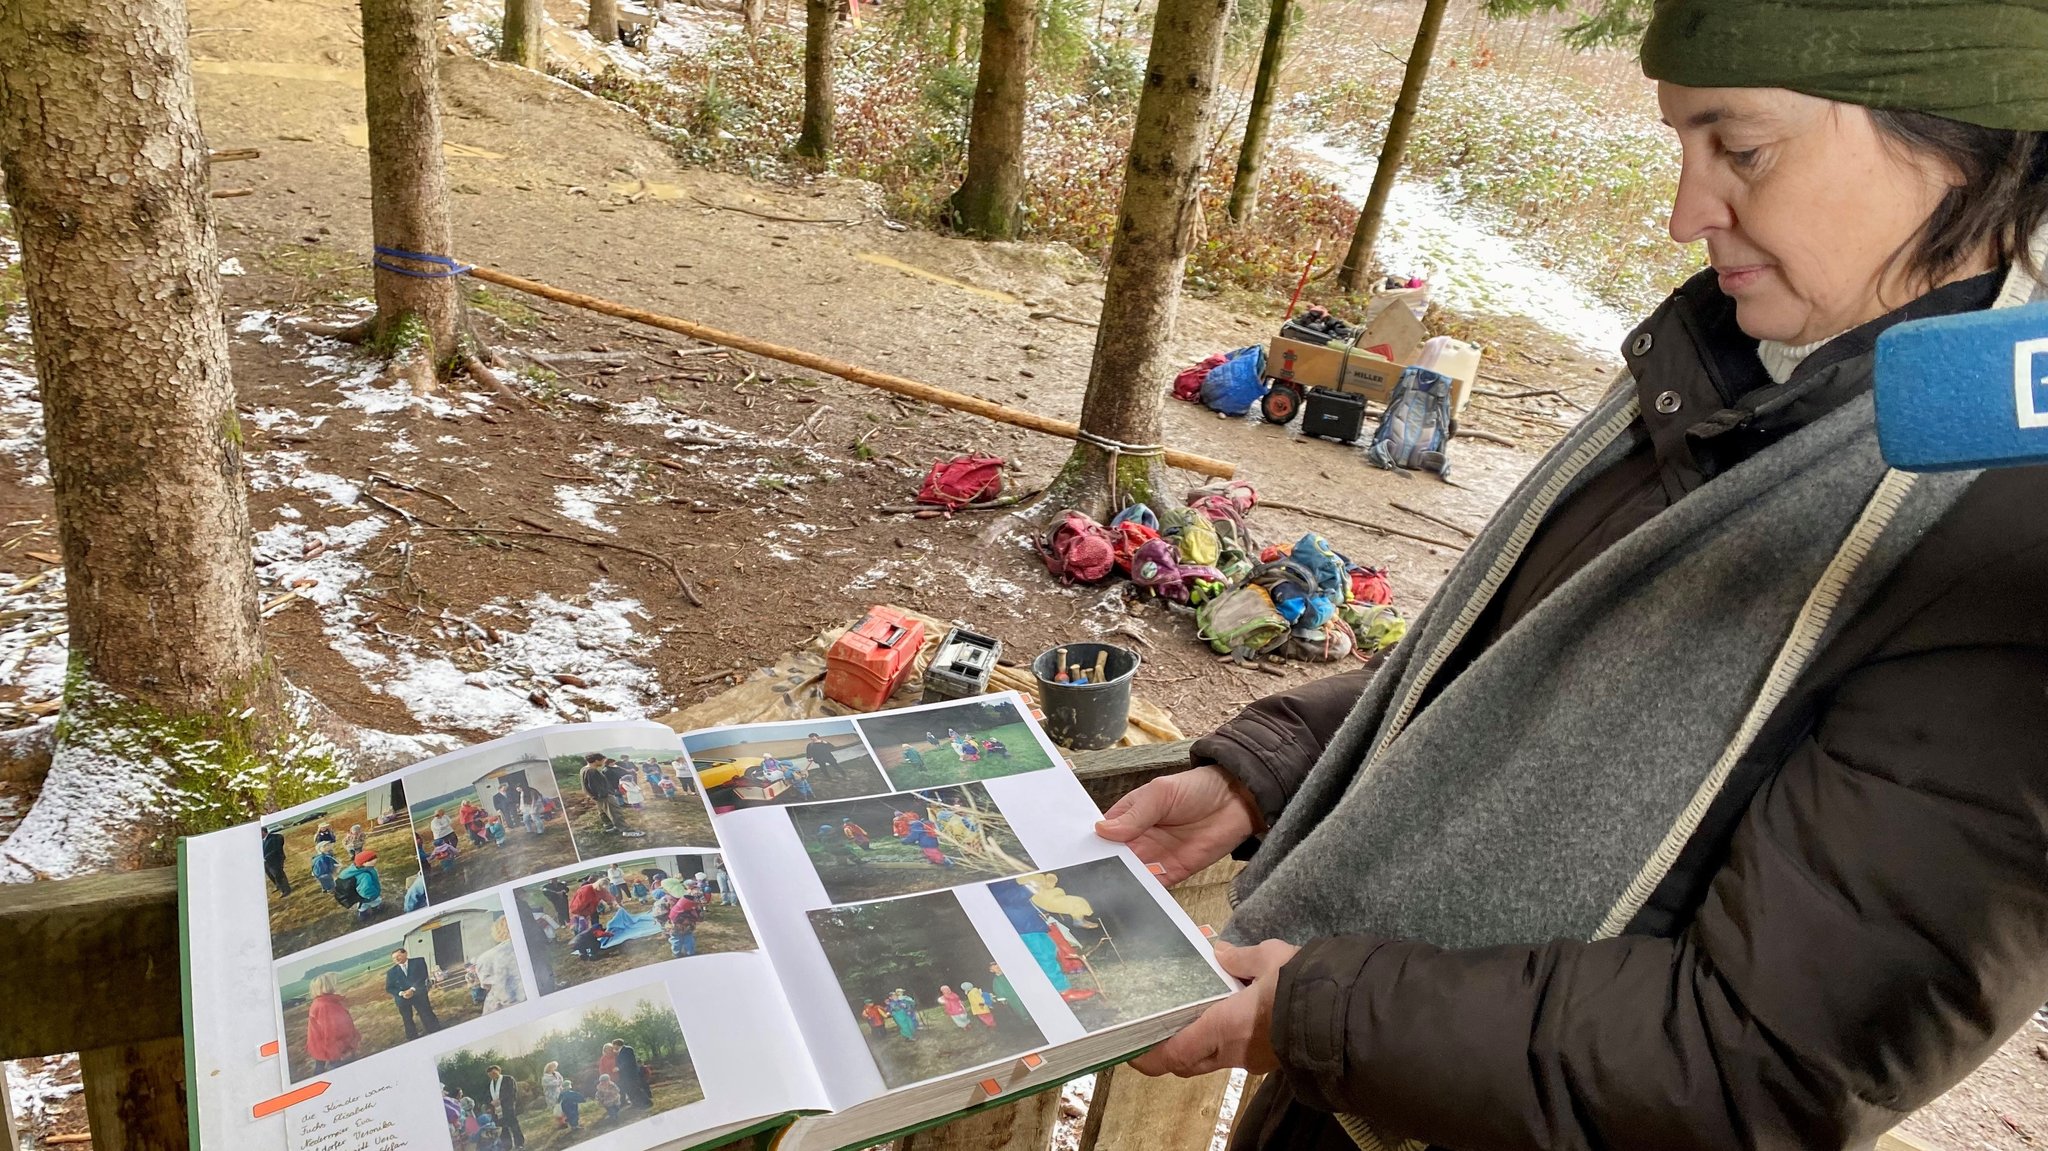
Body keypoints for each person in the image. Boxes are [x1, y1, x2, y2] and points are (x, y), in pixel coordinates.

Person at [1100, 9, 2048, 1148]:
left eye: (1739, 147)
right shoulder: (1744, 362)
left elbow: (1753, 1063)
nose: (1683, 212)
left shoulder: (2000, 535)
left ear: (1959, 139)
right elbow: (1543, 669)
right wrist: (1276, 770)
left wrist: (1319, 1013)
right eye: (1680, 149)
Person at [303, 972, 360, 1073]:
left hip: (321, 1046)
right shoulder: (325, 1005)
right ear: (327, 986)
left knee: (320, 1068)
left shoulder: (322, 1002)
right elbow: (331, 1033)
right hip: (334, 1048)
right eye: (333, 982)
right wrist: (342, 1051)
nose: (337, 984)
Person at [383, 948, 441, 1040]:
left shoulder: (419, 962)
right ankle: (413, 1038)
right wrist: (401, 993)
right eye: (394, 958)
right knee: (407, 1019)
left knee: (426, 1013)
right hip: (403, 999)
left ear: (405, 953)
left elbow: (423, 976)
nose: (396, 959)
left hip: (419, 994)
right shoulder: (391, 972)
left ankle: (435, 1032)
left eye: (398, 956)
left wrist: (412, 989)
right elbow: (389, 988)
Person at [474, 918, 524, 1013]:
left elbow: (486, 985)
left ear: (497, 930)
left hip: (504, 1006)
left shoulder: (485, 958)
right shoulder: (532, 947)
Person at [337, 851, 384, 920]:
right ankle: (377, 909)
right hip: (368, 896)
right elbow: (366, 889)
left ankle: (363, 915)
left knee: (362, 905)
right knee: (375, 902)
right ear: (364, 863)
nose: (374, 861)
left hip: (358, 895)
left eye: (374, 858)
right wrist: (373, 895)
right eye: (371, 860)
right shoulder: (365, 875)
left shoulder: (354, 869)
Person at [486, 1066, 524, 1149]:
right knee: (503, 1129)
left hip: (508, 1107)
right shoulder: (490, 1084)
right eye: (490, 1075)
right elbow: (488, 1096)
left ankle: (519, 1143)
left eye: (494, 1073)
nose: (492, 1076)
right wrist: (490, 1103)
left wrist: (501, 1100)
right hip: (497, 1110)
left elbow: (512, 1092)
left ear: (498, 1071)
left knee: (514, 1126)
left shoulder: (508, 1079)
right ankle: (507, 1146)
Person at [613, 1039, 652, 1108]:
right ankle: (636, 1103)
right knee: (630, 1090)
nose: (613, 1047)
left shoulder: (628, 1049)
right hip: (625, 1075)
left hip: (631, 1074)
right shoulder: (619, 1052)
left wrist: (619, 1068)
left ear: (617, 1044)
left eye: (614, 1045)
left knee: (636, 1089)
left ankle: (647, 1102)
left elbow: (628, 1061)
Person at [665, 885, 703, 957]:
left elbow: (699, 917)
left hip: (687, 930)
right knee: (677, 942)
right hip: (676, 930)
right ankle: (677, 953)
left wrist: (697, 910)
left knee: (689, 941)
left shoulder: (686, 909)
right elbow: (692, 918)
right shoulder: (678, 911)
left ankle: (689, 952)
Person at [261, 828, 292, 897]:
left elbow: (276, 849)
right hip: (266, 862)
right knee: (271, 875)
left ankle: (286, 890)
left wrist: (266, 857)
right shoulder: (261, 841)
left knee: (279, 875)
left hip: (275, 860)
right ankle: (278, 886)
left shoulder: (274, 838)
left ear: (263, 832)